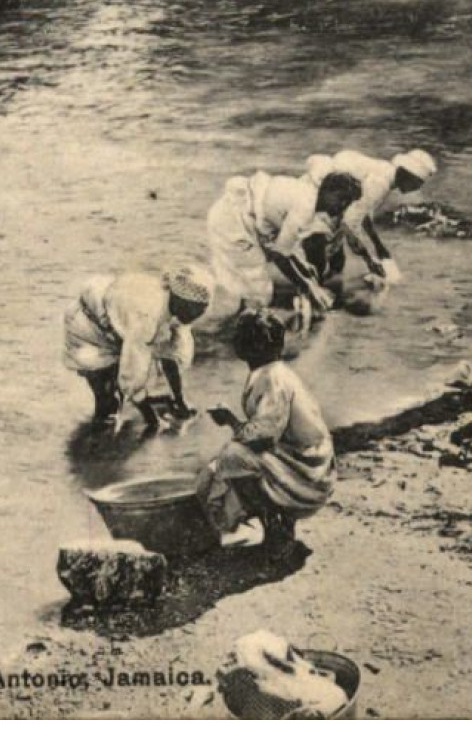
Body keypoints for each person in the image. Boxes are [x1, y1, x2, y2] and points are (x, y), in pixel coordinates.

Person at [195, 310, 334, 555]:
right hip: (309, 464)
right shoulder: (274, 371)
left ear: (252, 346)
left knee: (231, 458)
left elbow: (264, 437)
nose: (235, 341)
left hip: (309, 474)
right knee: (226, 463)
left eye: (239, 337)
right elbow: (267, 431)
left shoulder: (271, 378)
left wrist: (230, 420)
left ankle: (277, 528)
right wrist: (233, 422)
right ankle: (278, 526)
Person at [203, 170, 363, 328]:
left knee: (248, 287)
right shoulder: (306, 207)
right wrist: (309, 287)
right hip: (232, 221)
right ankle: (238, 335)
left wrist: (302, 268)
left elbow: (283, 246)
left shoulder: (309, 194)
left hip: (237, 215)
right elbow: (280, 254)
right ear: (329, 191)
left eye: (348, 202)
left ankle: (233, 325)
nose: (343, 206)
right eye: (341, 199)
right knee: (258, 291)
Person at [62, 265, 214, 429]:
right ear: (179, 301)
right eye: (193, 310)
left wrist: (179, 400)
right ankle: (97, 444)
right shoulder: (147, 316)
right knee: (108, 402)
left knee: (122, 391)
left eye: (201, 311)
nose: (196, 315)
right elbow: (132, 373)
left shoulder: (178, 314)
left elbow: (171, 356)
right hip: (89, 326)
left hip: (119, 319)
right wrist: (152, 421)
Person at [303, 149, 437, 285]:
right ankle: (312, 291)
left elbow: (362, 211)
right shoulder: (380, 184)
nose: (416, 189)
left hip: (332, 198)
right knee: (320, 254)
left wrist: (377, 245)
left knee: (336, 261)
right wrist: (368, 258)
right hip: (319, 196)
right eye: (417, 183)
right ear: (407, 175)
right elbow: (350, 223)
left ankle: (326, 290)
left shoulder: (386, 171)